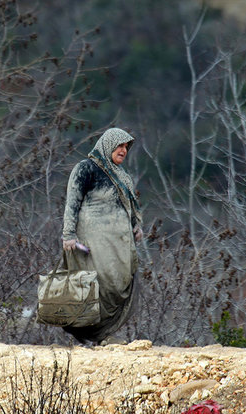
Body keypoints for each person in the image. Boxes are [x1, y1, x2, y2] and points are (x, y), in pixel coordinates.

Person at [61, 127, 143, 345]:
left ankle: (102, 335)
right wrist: (68, 234)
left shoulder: (122, 176)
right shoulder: (86, 169)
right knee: (100, 285)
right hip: (94, 243)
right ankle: (94, 335)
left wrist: (137, 226)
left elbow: (130, 205)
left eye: (126, 146)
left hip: (120, 245)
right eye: (120, 145)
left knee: (120, 285)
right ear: (108, 144)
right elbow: (72, 202)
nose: (123, 150)